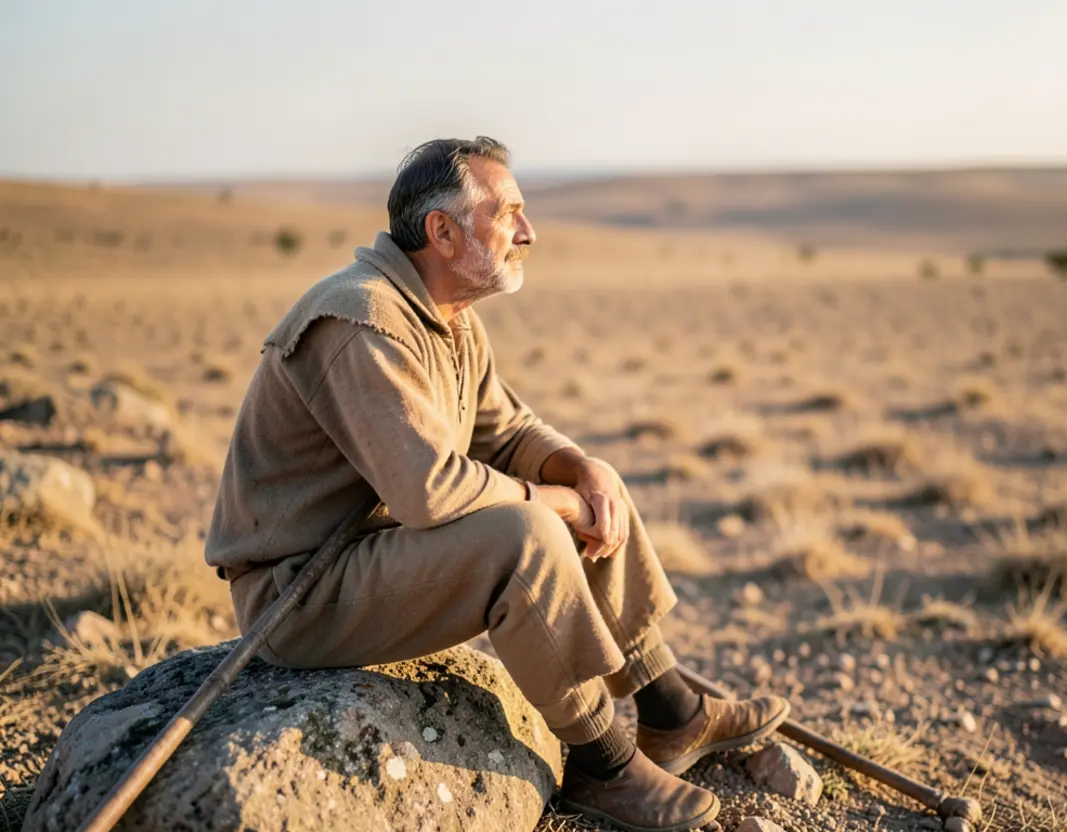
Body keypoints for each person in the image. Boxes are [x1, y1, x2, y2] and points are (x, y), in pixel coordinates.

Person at [206, 136, 789, 831]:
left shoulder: (449, 321)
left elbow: (507, 434)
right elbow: (430, 492)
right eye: (508, 212)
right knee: (527, 533)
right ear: (442, 232)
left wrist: (580, 471)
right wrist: (557, 502)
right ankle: (602, 766)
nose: (529, 231)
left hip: (366, 563)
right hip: (299, 596)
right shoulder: (359, 321)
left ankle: (672, 710)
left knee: (595, 487)